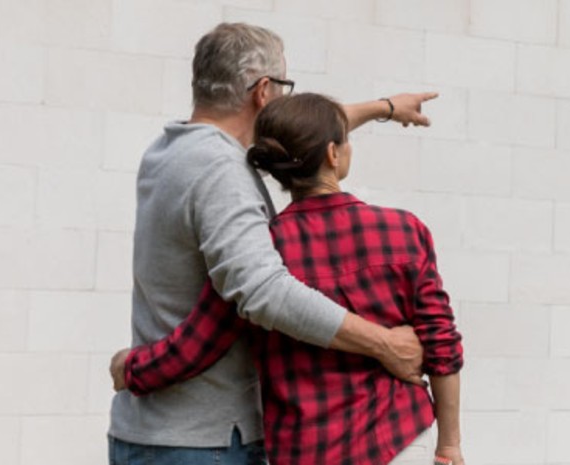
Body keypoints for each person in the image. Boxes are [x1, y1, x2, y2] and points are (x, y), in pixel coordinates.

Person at [107, 22, 439, 465]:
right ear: (263, 91)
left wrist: (384, 108)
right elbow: (263, 290)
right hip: (203, 443)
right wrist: (384, 344)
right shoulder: (220, 171)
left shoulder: (172, 149)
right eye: (284, 87)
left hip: (158, 431)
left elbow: (304, 135)